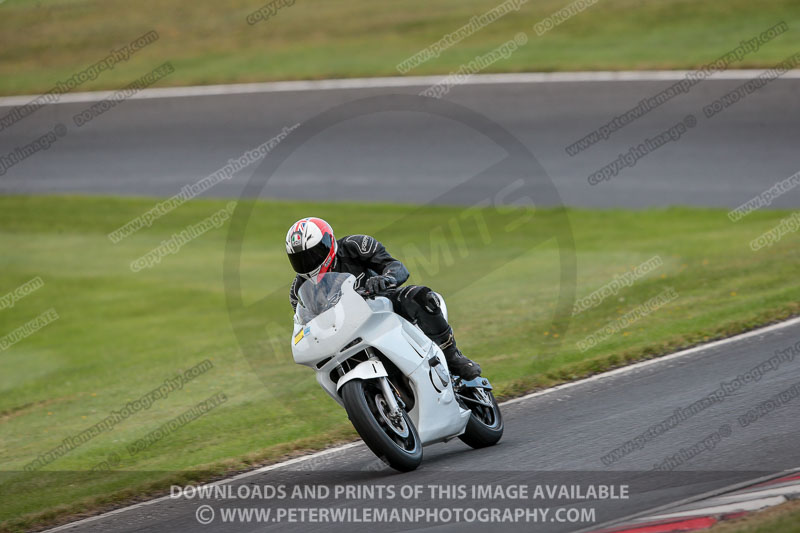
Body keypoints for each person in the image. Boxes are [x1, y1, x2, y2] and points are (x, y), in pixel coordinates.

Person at [285, 217, 482, 379]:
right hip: (345, 332)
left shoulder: (355, 245)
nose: (307, 263)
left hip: (381, 305)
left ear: (328, 243)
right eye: (299, 259)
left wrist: (385, 279)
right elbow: (307, 324)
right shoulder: (298, 291)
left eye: (313, 254)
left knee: (420, 296)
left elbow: (396, 266)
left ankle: (452, 356)